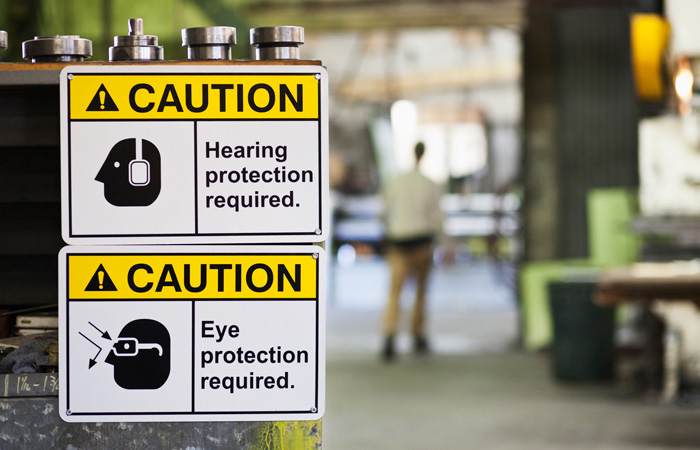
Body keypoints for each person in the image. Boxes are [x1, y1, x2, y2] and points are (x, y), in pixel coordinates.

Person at [380, 141, 444, 361]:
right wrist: (446, 243)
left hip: (398, 241)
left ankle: (389, 335)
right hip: (421, 242)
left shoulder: (396, 181)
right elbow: (437, 217)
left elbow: (383, 211)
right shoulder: (429, 184)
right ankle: (417, 335)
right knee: (420, 292)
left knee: (395, 291)